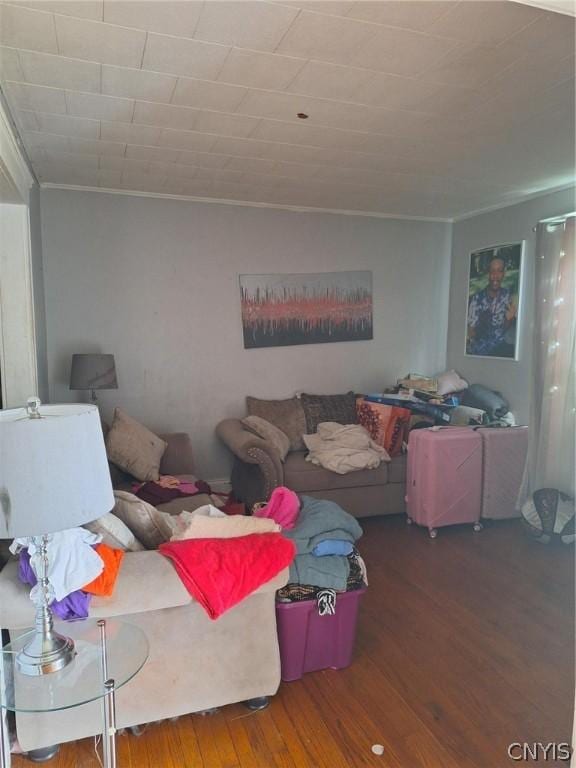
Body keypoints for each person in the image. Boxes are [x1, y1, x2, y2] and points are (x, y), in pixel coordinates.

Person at [467, 256, 517, 357]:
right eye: (492, 271)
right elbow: (471, 334)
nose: (495, 276)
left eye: (499, 271)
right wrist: (481, 326)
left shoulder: (506, 295)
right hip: (481, 352)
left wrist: (509, 319)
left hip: (500, 347)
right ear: (488, 274)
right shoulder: (477, 299)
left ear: (504, 274)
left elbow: (504, 328)